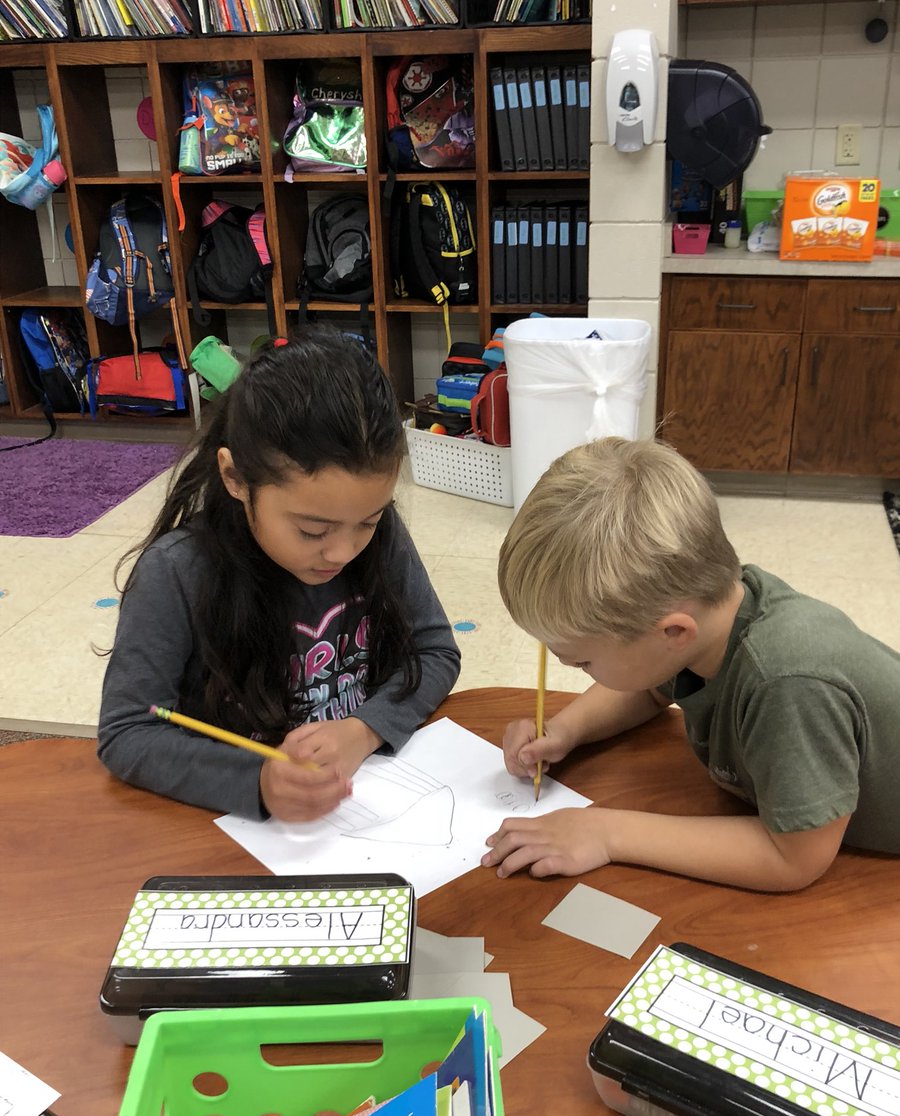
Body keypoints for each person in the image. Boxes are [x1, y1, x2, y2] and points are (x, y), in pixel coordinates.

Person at [482, 437, 900, 892]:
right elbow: (651, 687)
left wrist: (605, 832)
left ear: (673, 633)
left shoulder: (787, 684)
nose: (569, 667)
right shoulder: (711, 613)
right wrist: (566, 730)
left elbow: (793, 858)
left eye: (582, 661)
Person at [99, 329, 460, 822]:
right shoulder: (177, 573)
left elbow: (436, 650)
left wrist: (363, 729)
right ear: (235, 479)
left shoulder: (374, 535)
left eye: (370, 521)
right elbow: (127, 732)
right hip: (228, 830)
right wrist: (256, 782)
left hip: (365, 800)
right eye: (313, 530)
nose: (343, 550)